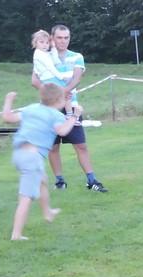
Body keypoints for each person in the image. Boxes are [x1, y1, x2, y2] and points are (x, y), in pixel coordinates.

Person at [30, 24, 107, 192]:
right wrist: (53, 94)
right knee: (53, 146)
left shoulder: (76, 56)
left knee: (80, 145)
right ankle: (59, 181)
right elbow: (34, 81)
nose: (63, 41)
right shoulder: (43, 56)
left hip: (70, 106)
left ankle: (91, 180)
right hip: (50, 108)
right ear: (52, 38)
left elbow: (77, 78)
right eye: (59, 37)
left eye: (66, 38)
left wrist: (63, 93)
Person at [0, 85, 79, 240]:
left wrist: (8, 100)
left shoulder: (32, 108)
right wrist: (74, 116)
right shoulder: (56, 115)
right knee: (26, 197)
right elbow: (62, 131)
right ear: (58, 100)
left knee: (42, 180)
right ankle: (16, 234)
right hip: (32, 158)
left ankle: (47, 212)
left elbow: (7, 117)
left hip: (19, 154)